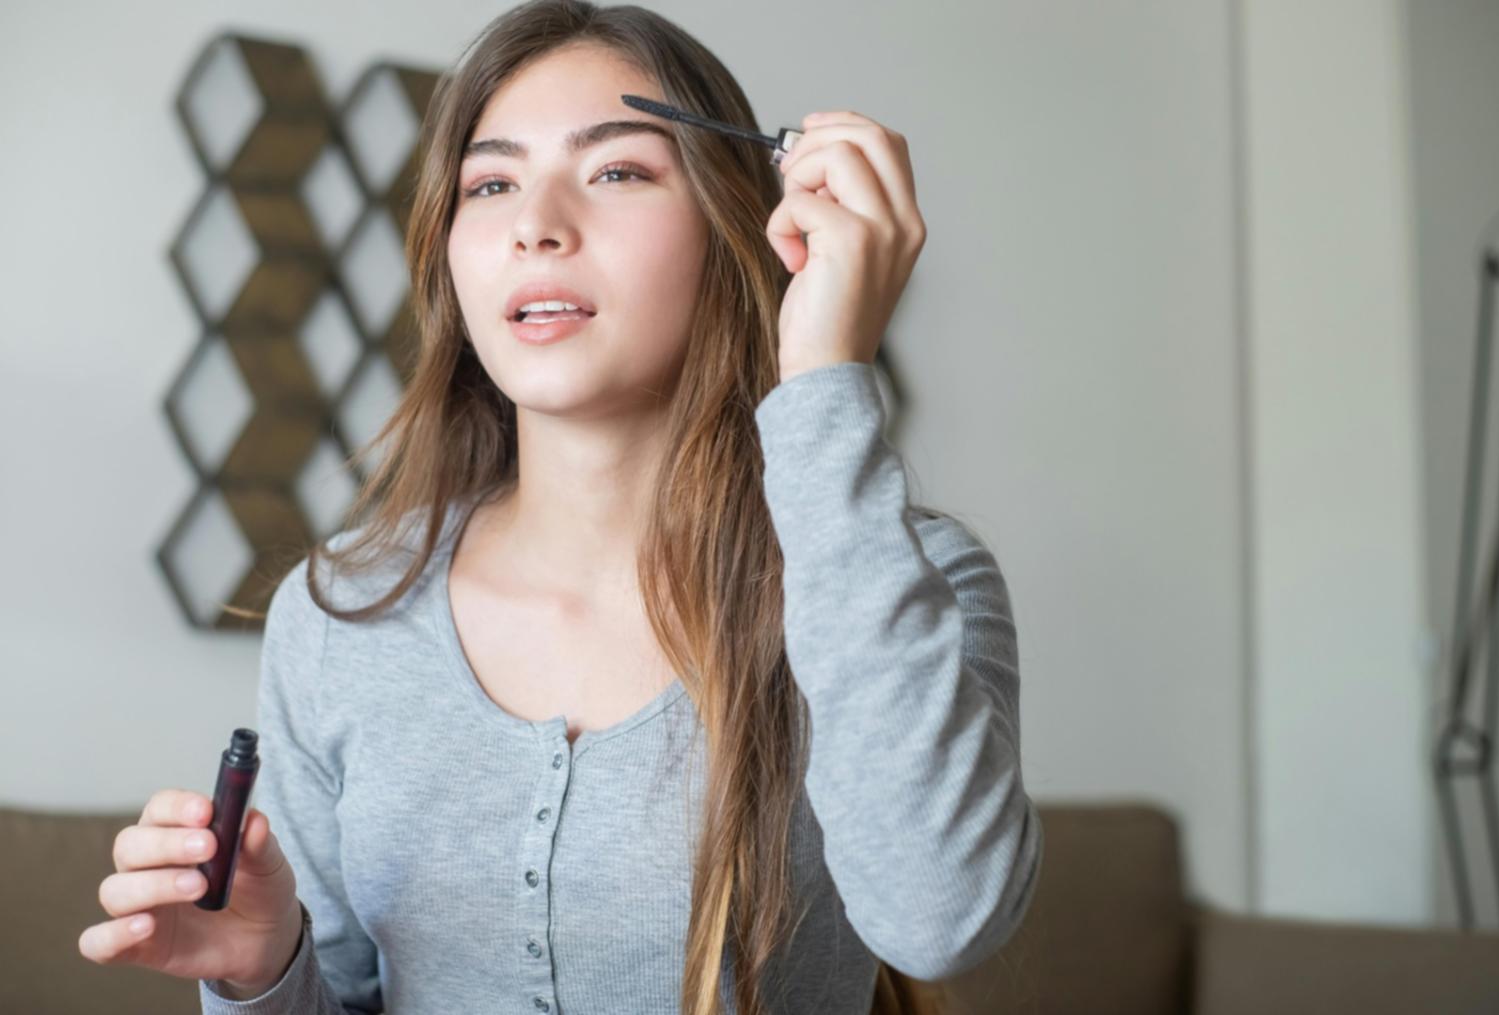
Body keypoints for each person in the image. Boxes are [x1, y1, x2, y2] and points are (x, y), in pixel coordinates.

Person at [79, 1, 1043, 1012]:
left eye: (617, 170)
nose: (537, 224)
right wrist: (262, 972)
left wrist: (825, 380)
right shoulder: (338, 615)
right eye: (490, 183)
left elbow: (942, 920)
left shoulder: (909, 577)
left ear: (732, 227)